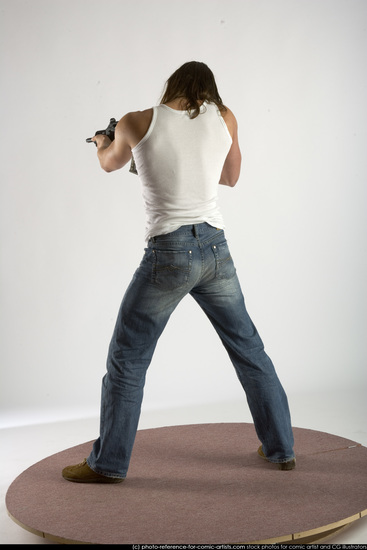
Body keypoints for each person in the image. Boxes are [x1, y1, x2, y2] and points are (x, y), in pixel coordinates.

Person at [62, 61, 295, 484]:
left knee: (128, 360)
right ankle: (281, 449)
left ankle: (108, 464)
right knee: (249, 350)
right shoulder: (224, 117)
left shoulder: (137, 121)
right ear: (209, 89)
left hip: (168, 254)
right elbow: (231, 177)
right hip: (215, 249)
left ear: (172, 85)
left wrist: (103, 140)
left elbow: (108, 164)